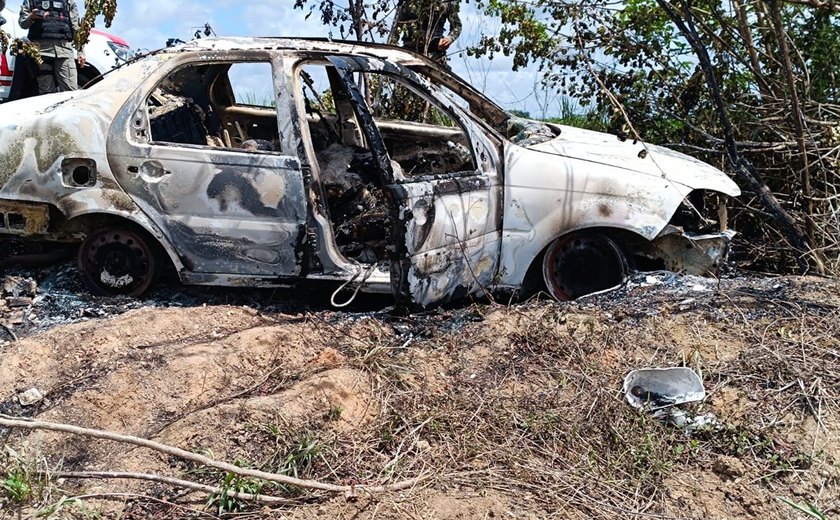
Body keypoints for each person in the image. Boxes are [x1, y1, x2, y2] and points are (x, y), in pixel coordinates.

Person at [18, 0, 85, 94]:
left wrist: (80, 51)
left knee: (70, 91)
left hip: (63, 51)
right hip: (40, 52)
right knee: (46, 92)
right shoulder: (31, 1)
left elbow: (76, 27)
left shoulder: (68, 2)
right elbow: (22, 23)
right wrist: (31, 17)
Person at [394, 0, 461, 62]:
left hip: (433, 50)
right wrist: (392, 45)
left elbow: (457, 25)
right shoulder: (409, 2)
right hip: (408, 49)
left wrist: (448, 39)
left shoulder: (446, 2)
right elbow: (398, 25)